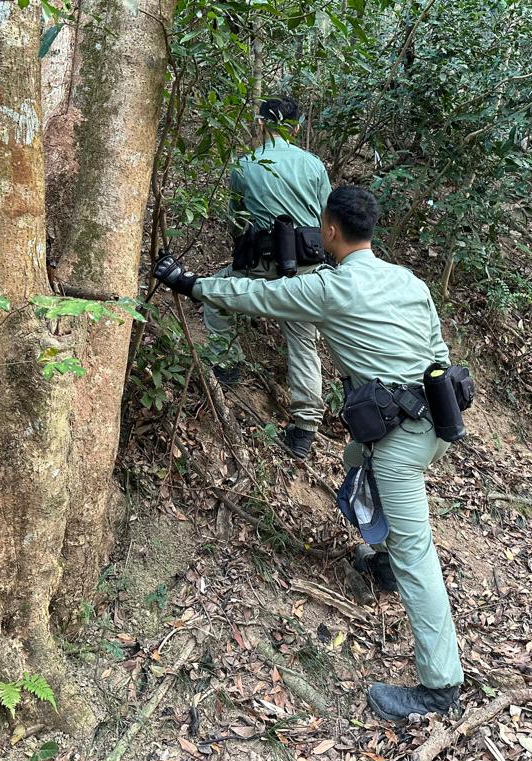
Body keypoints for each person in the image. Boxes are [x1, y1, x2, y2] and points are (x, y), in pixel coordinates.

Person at [154, 186, 464, 720]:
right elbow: (438, 353)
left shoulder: (332, 288)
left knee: (419, 553)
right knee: (352, 462)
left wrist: (188, 284)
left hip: (396, 444)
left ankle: (440, 686)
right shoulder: (410, 282)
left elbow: (257, 297)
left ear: (329, 231)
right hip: (434, 425)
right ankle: (385, 563)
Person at [206, 95, 331, 458]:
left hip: (262, 266)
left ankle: (228, 366)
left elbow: (237, 219)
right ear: (294, 128)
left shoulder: (245, 165)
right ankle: (305, 429)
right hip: (308, 271)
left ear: (261, 124)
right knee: (303, 342)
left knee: (215, 293)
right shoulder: (313, 165)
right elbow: (326, 218)